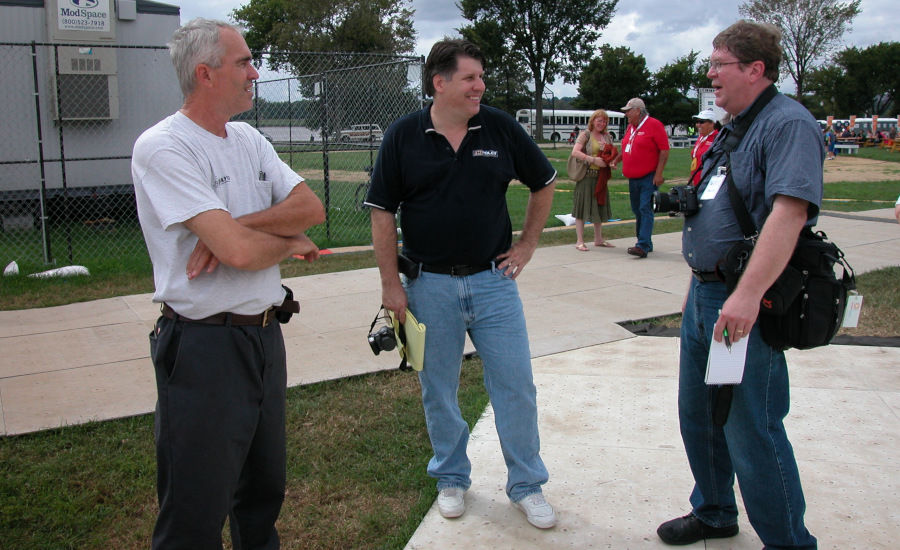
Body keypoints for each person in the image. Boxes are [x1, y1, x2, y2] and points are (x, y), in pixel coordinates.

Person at [131, 18, 325, 548]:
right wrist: (288, 241)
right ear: (205, 74)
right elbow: (240, 255)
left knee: (262, 497)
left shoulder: (246, 138)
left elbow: (311, 206)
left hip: (263, 338)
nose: (254, 73)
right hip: (201, 348)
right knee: (195, 510)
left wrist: (231, 226)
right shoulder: (163, 147)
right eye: (243, 62)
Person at [364, 38, 558, 530]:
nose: (480, 86)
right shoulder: (404, 135)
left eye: (481, 77)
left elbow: (544, 182)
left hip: (493, 285)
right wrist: (391, 286)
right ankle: (451, 477)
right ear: (440, 82)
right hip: (428, 286)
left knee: (516, 386)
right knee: (438, 390)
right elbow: (382, 213)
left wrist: (528, 244)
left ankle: (527, 486)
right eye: (471, 77)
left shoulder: (499, 127)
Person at [657, 20, 820, 549]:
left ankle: (789, 542)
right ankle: (714, 511)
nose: (710, 74)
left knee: (751, 429)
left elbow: (788, 215)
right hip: (705, 296)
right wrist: (698, 284)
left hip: (747, 299)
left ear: (755, 69)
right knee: (699, 416)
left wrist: (745, 295)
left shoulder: (787, 124)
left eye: (719, 64)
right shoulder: (734, 126)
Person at [610, 97, 669, 258]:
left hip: (648, 176)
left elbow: (664, 150)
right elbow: (627, 147)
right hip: (633, 178)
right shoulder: (631, 127)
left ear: (638, 110)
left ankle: (642, 245)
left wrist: (659, 173)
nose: (626, 114)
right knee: (637, 210)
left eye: (628, 111)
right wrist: (616, 160)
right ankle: (645, 242)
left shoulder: (654, 125)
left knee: (645, 208)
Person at [570, 109, 616, 250]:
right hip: (586, 177)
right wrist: (592, 159)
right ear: (593, 121)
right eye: (599, 120)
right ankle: (579, 241)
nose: (601, 124)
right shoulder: (585, 135)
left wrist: (611, 163)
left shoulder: (607, 136)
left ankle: (598, 239)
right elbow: (575, 152)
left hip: (600, 177)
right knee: (582, 208)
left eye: (604, 121)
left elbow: (611, 154)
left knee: (599, 207)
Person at [689, 110, 720, 184]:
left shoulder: (717, 139)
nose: (698, 125)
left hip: (708, 181)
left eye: (701, 122)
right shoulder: (701, 138)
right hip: (696, 179)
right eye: (697, 122)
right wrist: (691, 177)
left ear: (711, 123)